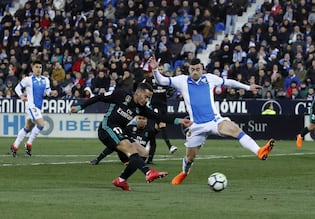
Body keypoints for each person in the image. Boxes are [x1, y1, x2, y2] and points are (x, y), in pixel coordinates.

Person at [149, 57, 275, 185]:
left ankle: (259, 151)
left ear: (202, 69)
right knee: (190, 157)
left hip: (215, 120)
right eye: (193, 70)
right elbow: (162, 80)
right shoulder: (182, 81)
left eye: (198, 69)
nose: (195, 72)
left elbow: (228, 82)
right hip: (196, 126)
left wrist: (247, 87)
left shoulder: (209, 78)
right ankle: (184, 173)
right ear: (189, 70)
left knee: (235, 130)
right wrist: (154, 70)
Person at [70, 82, 192, 190]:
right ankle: (148, 172)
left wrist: (179, 121)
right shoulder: (121, 95)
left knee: (143, 152)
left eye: (149, 98)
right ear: (138, 93)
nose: (147, 101)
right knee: (130, 148)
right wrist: (79, 107)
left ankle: (122, 180)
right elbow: (98, 98)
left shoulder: (141, 108)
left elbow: (160, 118)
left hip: (119, 131)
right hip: (106, 128)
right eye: (146, 97)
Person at [10, 60, 56, 157]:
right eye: (36, 67)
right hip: (31, 106)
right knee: (41, 124)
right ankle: (29, 143)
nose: (38, 69)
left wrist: (52, 93)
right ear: (32, 68)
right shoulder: (28, 79)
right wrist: (22, 96)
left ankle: (15, 146)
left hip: (38, 107)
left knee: (28, 127)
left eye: (40, 67)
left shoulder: (45, 80)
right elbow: (17, 88)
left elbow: (48, 92)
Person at [89, 115, 159, 165]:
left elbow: (153, 145)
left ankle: (134, 162)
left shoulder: (150, 131)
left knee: (141, 152)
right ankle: (98, 159)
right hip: (125, 154)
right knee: (115, 142)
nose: (141, 120)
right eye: (139, 118)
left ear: (146, 120)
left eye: (143, 119)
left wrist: (150, 160)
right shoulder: (129, 128)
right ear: (136, 119)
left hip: (139, 155)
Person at [143, 64, 178, 158]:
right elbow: (142, 87)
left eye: (162, 69)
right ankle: (170, 146)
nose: (160, 71)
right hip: (154, 105)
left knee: (157, 128)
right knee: (162, 124)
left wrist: (170, 92)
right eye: (159, 69)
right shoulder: (150, 79)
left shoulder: (165, 79)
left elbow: (171, 89)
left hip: (163, 105)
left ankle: (145, 141)